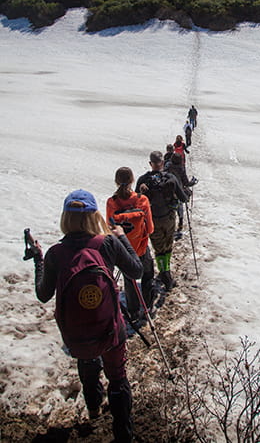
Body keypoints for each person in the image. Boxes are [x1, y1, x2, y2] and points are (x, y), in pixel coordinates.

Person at [32, 189, 142, 443]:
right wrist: (123, 238)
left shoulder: (55, 254)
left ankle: (93, 410)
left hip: (77, 332)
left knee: (88, 362)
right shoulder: (106, 243)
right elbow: (135, 270)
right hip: (111, 327)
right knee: (118, 377)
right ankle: (123, 433)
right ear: (93, 216)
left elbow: (43, 294)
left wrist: (38, 260)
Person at [106, 167, 156, 325]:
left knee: (130, 279)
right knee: (147, 274)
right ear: (132, 180)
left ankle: (133, 310)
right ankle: (147, 305)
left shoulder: (112, 202)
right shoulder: (141, 200)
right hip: (141, 247)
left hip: (123, 251)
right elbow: (150, 229)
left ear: (116, 181)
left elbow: (110, 227)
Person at [135, 151, 188, 291]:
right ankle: (166, 272)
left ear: (150, 163)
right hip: (168, 218)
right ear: (163, 163)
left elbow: (136, 201)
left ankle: (164, 272)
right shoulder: (170, 178)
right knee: (167, 245)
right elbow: (183, 198)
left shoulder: (143, 180)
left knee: (158, 248)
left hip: (152, 220)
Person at [165, 152, 195, 236]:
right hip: (179, 190)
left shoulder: (168, 167)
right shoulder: (181, 169)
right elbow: (186, 182)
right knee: (180, 206)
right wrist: (192, 182)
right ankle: (180, 221)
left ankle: (170, 224)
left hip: (168, 189)